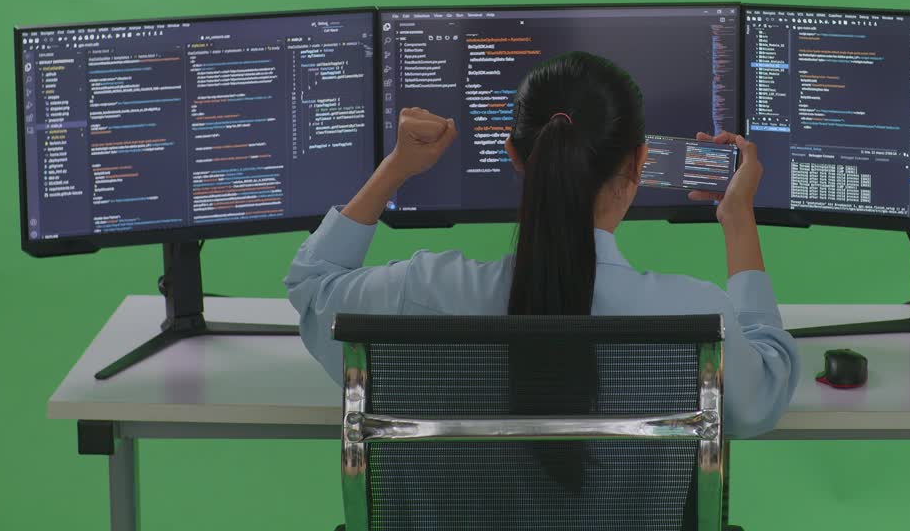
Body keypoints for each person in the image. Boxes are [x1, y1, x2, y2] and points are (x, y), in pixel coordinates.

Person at [285, 52, 799, 439]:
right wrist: (737, 218)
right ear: (640, 161)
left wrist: (397, 167)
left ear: (514, 156)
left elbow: (313, 288)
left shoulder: (419, 296)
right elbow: (764, 394)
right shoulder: (697, 321)